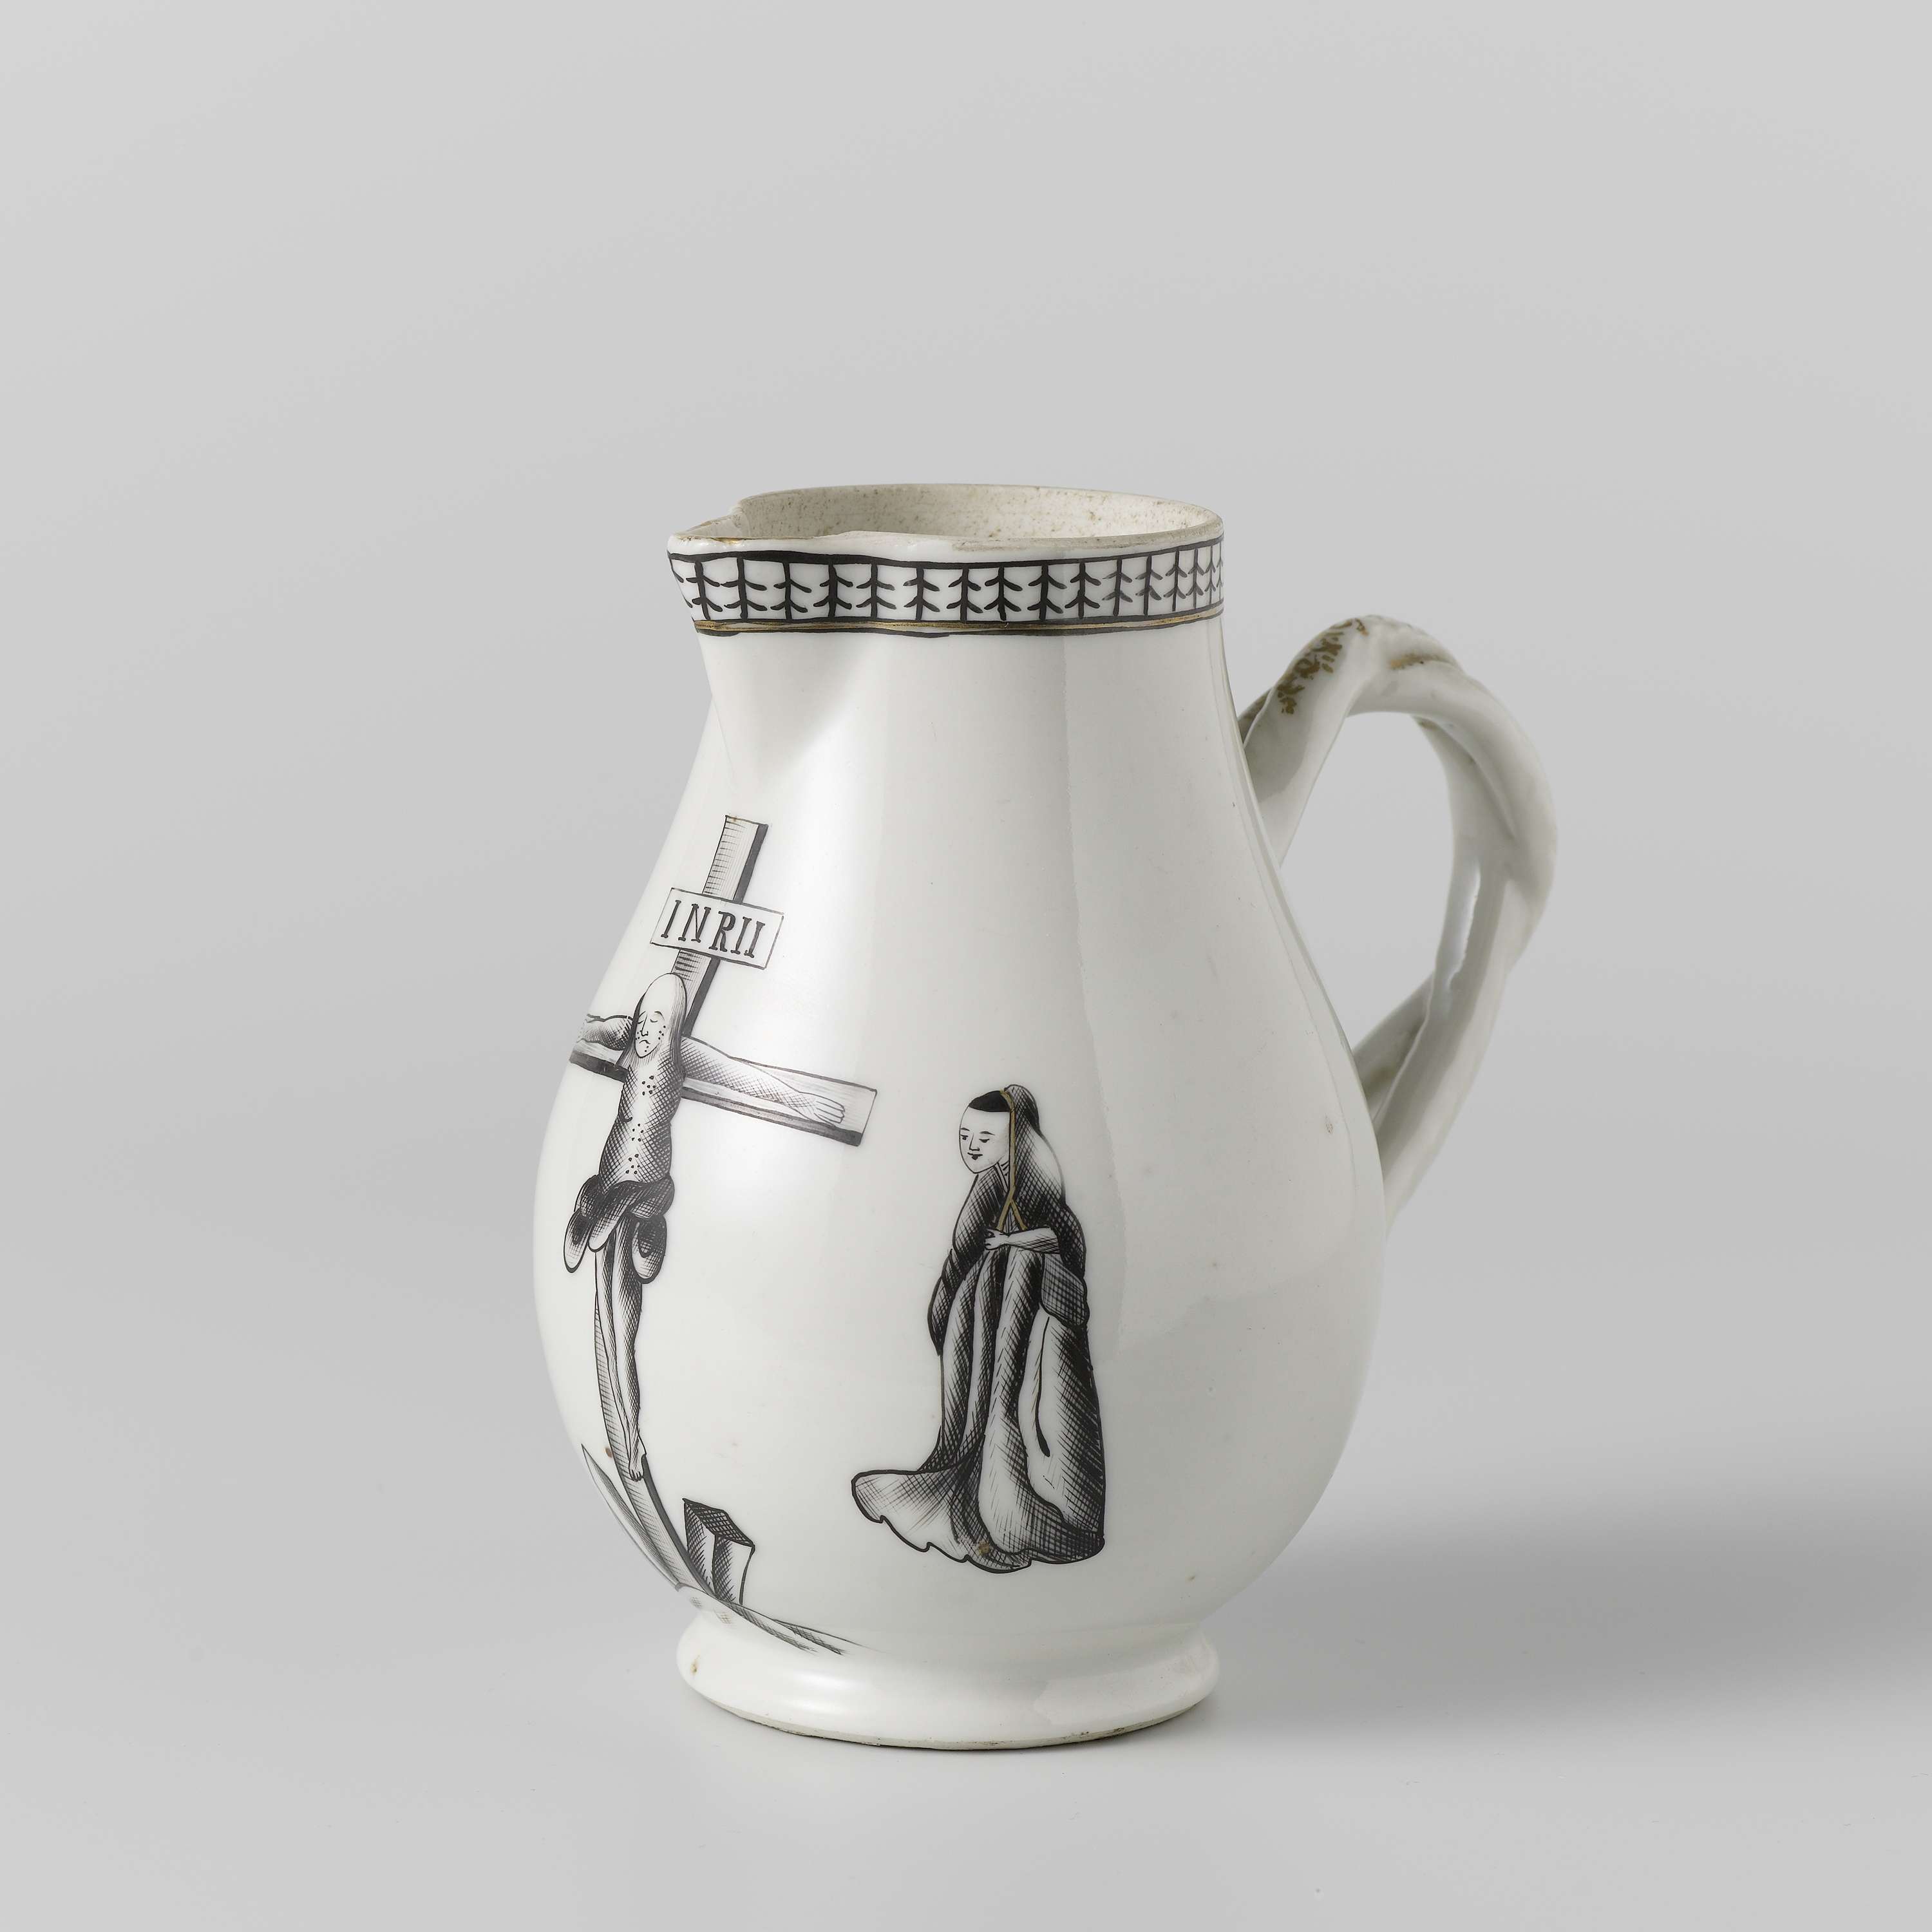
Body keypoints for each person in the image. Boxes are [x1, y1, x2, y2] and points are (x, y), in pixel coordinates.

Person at [565, 971, 843, 1479]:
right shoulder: (625, 1033)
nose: (647, 1032)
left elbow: (742, 1075)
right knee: (606, 1318)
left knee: (623, 1327)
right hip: (609, 1182)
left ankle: (632, 1437)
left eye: (659, 1023)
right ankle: (595, 1213)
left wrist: (800, 1101)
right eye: (644, 1020)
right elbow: (592, 1028)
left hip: (646, 1194)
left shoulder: (682, 1056)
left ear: (673, 1027)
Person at [853, 1084, 1105, 1570]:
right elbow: (962, 1249)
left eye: (985, 1139)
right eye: (965, 1135)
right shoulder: (989, 1185)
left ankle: (1019, 1509)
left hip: (1034, 1323)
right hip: (990, 1313)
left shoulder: (1040, 1184)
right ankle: (982, 1495)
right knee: (987, 1409)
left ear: (1015, 1139)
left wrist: (1019, 1247)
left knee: (1028, 1413)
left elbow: (1066, 1243)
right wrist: (951, 1303)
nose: (971, 1147)